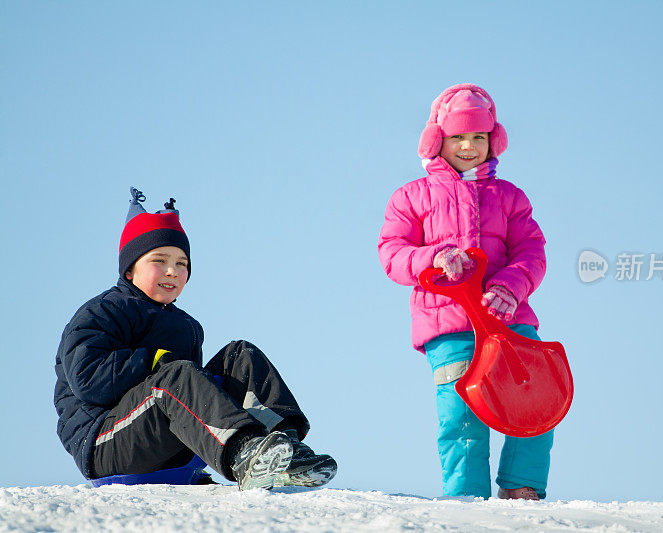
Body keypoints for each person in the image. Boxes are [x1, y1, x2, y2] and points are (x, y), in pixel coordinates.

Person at [55, 188, 337, 490]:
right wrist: (153, 361)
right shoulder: (103, 312)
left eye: (181, 263)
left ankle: (283, 450)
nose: (172, 271)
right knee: (177, 376)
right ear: (129, 268)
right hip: (105, 440)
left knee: (240, 356)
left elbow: (194, 399)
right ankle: (243, 453)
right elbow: (86, 378)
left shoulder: (186, 326)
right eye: (159, 260)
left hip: (163, 438)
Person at [378, 84, 554, 500]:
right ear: (439, 140)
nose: (470, 146)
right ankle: (466, 500)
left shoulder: (509, 197)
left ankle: (521, 489)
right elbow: (392, 253)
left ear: (493, 140)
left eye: (479, 137)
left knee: (536, 398)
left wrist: (511, 285)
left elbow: (532, 252)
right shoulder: (412, 197)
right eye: (459, 137)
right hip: (449, 323)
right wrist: (433, 258)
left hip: (509, 321)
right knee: (461, 415)